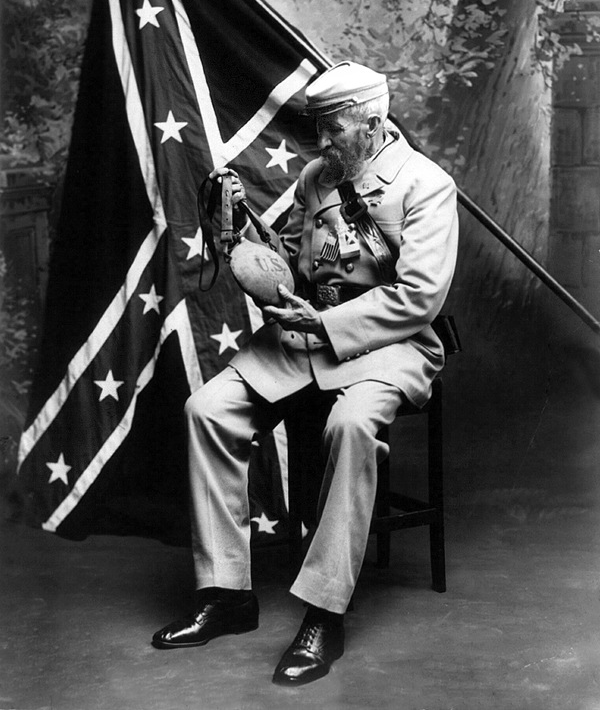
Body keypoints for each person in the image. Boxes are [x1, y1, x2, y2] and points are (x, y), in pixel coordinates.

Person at [152, 61, 459, 686]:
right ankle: (226, 594)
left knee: (350, 425)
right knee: (206, 411)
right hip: (308, 336)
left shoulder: (426, 185)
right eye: (317, 128)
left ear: (372, 123)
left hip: (392, 343)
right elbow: (293, 270)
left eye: (332, 129)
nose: (320, 142)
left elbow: (420, 297)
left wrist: (326, 324)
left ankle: (324, 612)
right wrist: (242, 234)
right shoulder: (318, 178)